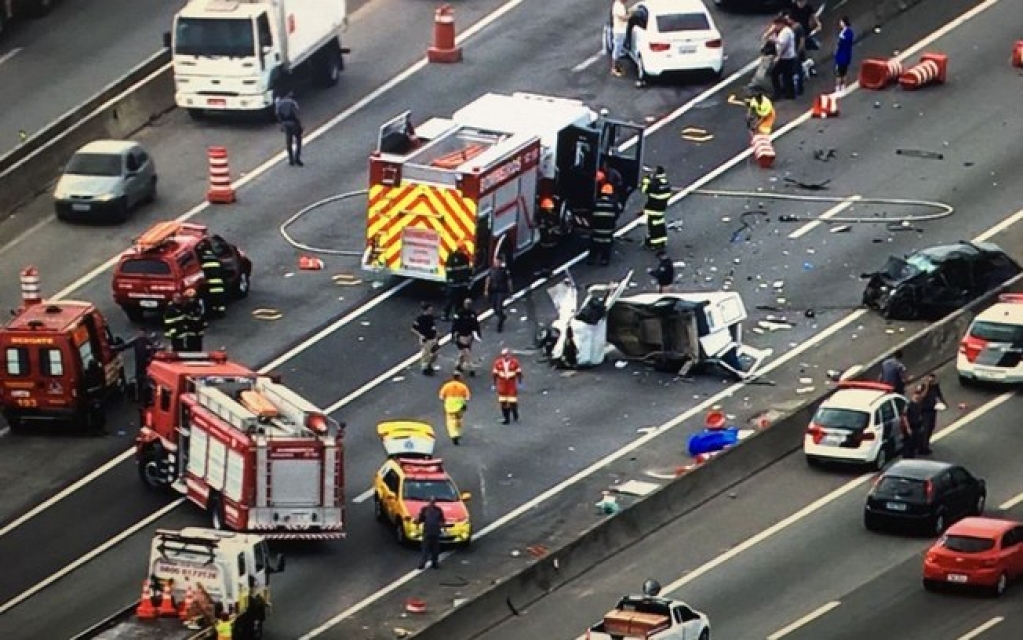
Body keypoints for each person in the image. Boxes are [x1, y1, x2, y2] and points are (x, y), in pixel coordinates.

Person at [113, 330, 158, 403]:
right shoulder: (146, 340)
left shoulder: (137, 340)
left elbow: (125, 346)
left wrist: (113, 348)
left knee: (141, 380)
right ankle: (145, 397)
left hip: (142, 364)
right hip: (147, 364)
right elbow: (155, 348)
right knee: (145, 380)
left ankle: (140, 397)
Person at [640, 166, 670, 251]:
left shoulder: (654, 184)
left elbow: (644, 190)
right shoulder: (666, 183)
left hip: (653, 208)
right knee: (660, 223)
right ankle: (662, 240)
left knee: (653, 226)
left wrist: (646, 180)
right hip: (661, 208)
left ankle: (653, 243)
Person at [769, 15, 799, 100]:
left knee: (776, 74)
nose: (776, 27)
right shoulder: (784, 31)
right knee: (786, 76)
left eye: (777, 25)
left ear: (781, 24)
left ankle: (780, 93)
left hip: (786, 58)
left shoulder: (786, 32)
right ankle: (788, 93)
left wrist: (774, 40)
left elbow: (783, 44)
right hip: (786, 57)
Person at [588, 183, 618, 266]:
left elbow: (590, 214)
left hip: (597, 228)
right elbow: (616, 215)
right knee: (607, 244)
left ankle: (592, 258)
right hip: (608, 229)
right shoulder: (613, 204)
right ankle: (604, 260)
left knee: (594, 243)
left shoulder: (596, 202)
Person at [438, 370, 471, 445]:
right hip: (460, 405)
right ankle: (458, 432)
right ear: (459, 377)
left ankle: (453, 434)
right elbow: (467, 397)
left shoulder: (446, 385)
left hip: (449, 404)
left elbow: (441, 397)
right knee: (459, 419)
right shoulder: (463, 386)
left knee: (450, 420)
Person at [492, 348, 523, 425]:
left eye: (507, 355)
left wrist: (519, 382)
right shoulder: (498, 363)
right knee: (503, 402)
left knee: (512, 402)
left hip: (511, 384)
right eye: (504, 355)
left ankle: (515, 414)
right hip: (502, 385)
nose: (506, 356)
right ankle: (506, 418)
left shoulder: (514, 362)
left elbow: (519, 373)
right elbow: (495, 374)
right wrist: (494, 384)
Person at [450, 299, 481, 375]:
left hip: (469, 335)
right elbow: (454, 325)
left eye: (470, 304)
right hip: (461, 335)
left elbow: (476, 324)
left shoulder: (472, 313)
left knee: (463, 352)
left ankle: (458, 365)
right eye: (467, 304)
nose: (468, 305)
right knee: (466, 352)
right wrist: (453, 336)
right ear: (464, 304)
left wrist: (478, 333)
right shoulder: (459, 313)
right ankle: (471, 368)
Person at [918, 373, 946, 455]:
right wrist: (927, 385)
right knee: (925, 429)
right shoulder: (923, 386)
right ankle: (922, 448)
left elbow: (939, 395)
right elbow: (922, 396)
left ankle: (926, 445)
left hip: (932, 410)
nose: (932, 381)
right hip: (925, 411)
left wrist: (944, 403)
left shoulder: (935, 386)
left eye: (933, 380)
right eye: (931, 379)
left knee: (931, 427)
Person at [197, 242, 227, 318]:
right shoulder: (214, 256)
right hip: (218, 282)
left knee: (213, 299)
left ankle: (215, 311)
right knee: (220, 298)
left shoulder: (202, 256)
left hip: (210, 282)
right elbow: (221, 268)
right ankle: (220, 312)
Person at [443, 245, 473, 321]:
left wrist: (469, 279)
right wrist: (449, 279)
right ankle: (445, 314)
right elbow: (448, 269)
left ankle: (457, 314)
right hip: (454, 284)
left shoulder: (465, 258)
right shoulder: (452, 258)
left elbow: (468, 269)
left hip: (462, 283)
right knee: (450, 300)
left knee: (460, 300)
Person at [484, 257, 513, 333]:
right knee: (494, 307)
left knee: (499, 307)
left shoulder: (504, 270)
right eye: (495, 262)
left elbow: (509, 281)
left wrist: (510, 291)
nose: (496, 263)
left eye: (498, 262)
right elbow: (488, 280)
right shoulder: (491, 270)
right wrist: (486, 290)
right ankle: (501, 316)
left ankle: (500, 325)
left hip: (501, 291)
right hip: (493, 291)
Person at [275, 92, 304, 167]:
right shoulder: (292, 102)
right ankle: (297, 158)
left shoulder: (278, 103)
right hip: (294, 123)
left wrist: (281, 124)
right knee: (298, 140)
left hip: (286, 124)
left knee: (289, 141)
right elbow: (297, 112)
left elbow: (277, 114)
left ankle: (291, 159)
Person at [416, 496, 445, 569]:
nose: (432, 503)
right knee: (425, 549)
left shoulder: (438, 510)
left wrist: (442, 525)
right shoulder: (424, 509)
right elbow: (420, 519)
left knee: (435, 549)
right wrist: (416, 521)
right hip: (427, 532)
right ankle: (422, 563)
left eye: (433, 501)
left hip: (435, 532)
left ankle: (434, 563)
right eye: (431, 501)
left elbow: (442, 520)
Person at [412, 302, 439, 376]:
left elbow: (433, 327)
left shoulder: (430, 317)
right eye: (430, 310)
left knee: (435, 354)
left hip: (433, 338)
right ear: (426, 310)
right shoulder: (420, 319)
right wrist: (421, 335)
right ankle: (425, 368)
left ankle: (429, 364)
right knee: (426, 354)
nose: (431, 311)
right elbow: (413, 328)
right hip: (426, 339)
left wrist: (436, 335)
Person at [536, 197, 562, 270]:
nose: (550, 209)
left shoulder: (552, 217)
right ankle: (546, 269)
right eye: (549, 208)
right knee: (545, 257)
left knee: (549, 257)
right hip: (545, 241)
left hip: (550, 241)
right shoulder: (543, 217)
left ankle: (548, 269)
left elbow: (556, 227)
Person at [902, 385, 925, 458]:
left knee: (914, 443)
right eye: (916, 395)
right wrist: (908, 428)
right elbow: (904, 417)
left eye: (918, 395)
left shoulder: (918, 404)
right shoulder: (908, 405)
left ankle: (912, 455)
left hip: (917, 426)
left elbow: (919, 415)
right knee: (908, 443)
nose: (917, 396)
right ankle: (906, 456)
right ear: (913, 395)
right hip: (910, 427)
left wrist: (921, 425)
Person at [833, 16, 854, 95]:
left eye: (841, 22)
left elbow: (840, 44)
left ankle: (838, 87)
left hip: (841, 56)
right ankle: (843, 86)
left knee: (839, 72)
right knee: (844, 72)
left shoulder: (844, 34)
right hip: (846, 55)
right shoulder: (849, 32)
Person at [609, 0, 630, 77]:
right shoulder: (618, 6)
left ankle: (617, 65)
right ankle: (614, 68)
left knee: (619, 48)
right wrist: (631, 15)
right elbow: (624, 18)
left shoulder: (620, 5)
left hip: (621, 30)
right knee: (617, 49)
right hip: (619, 31)